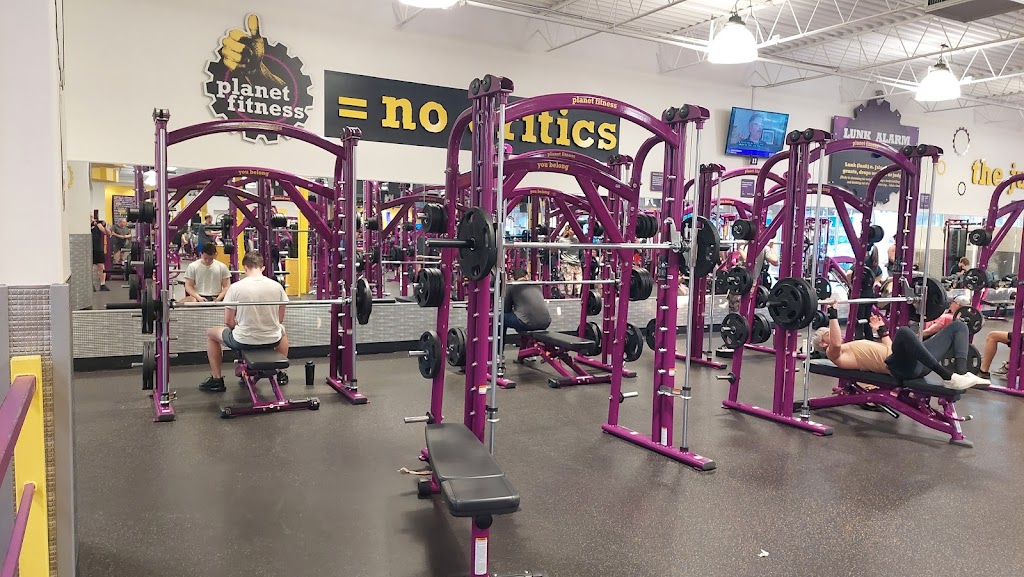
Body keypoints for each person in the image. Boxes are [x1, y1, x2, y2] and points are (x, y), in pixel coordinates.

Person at [810, 307, 988, 390]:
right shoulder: (834, 354)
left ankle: (962, 374)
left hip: (915, 363)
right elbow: (836, 343)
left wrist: (881, 331)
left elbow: (889, 349)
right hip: (900, 369)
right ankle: (948, 377)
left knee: (958, 326)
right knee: (903, 332)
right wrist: (833, 315)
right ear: (823, 344)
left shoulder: (851, 345)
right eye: (828, 334)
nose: (835, 333)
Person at [197, 252, 289, 392]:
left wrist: (240, 328)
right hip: (272, 340)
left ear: (245, 267)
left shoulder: (235, 287)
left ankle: (217, 379)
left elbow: (228, 321)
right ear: (262, 268)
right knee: (282, 330)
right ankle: (281, 373)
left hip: (244, 340)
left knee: (211, 333)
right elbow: (279, 320)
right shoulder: (277, 286)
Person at [503, 268, 552, 342]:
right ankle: (524, 343)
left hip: (526, 323)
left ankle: (498, 348)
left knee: (500, 318)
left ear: (514, 278)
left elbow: (506, 309)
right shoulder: (536, 285)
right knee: (520, 316)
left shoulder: (511, 286)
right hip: (545, 322)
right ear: (526, 276)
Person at [558, 228, 582, 298]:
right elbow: (555, 250)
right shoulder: (562, 240)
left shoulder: (577, 240)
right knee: (569, 285)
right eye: (572, 229)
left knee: (579, 283)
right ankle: (568, 299)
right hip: (567, 263)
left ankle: (577, 298)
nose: (574, 230)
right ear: (568, 230)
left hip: (576, 264)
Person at [91, 215, 110, 291]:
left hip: (98, 249)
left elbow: (108, 233)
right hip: (89, 249)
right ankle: (90, 285)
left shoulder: (98, 226)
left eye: (91, 218)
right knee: (89, 268)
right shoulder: (84, 227)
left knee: (101, 267)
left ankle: (102, 284)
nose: (91, 219)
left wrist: (104, 226)